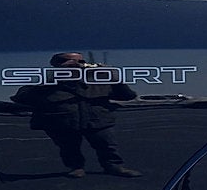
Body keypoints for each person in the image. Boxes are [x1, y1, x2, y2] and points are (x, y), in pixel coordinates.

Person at [12, 52, 140, 178]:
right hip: (62, 122)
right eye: (69, 61)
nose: (77, 65)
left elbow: (127, 96)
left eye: (81, 61)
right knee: (68, 147)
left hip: (98, 120)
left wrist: (114, 78)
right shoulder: (45, 80)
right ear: (56, 65)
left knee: (107, 144)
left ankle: (114, 166)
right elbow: (20, 97)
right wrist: (51, 80)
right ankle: (76, 167)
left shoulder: (99, 78)